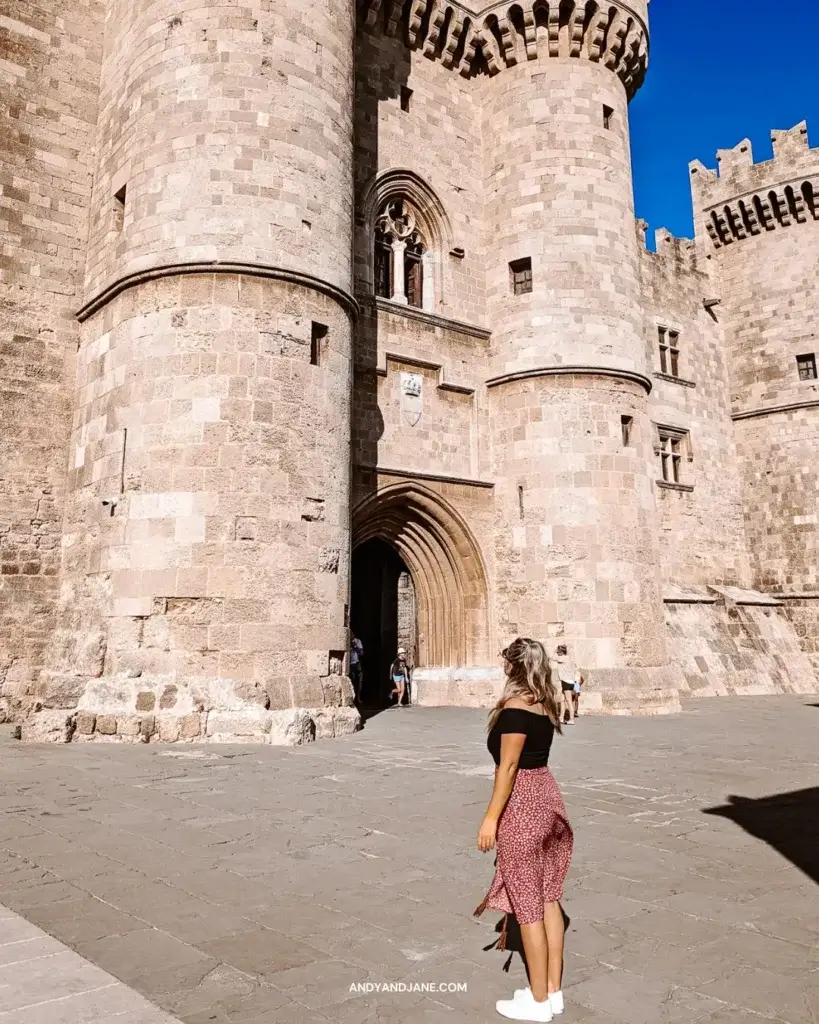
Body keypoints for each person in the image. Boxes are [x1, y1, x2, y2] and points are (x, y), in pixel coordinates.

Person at [474, 638, 573, 1023]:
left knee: (529, 907)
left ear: (512, 667)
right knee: (549, 899)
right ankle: (552, 991)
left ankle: (536, 1003)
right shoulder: (544, 705)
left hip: (524, 805)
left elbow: (509, 768)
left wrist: (490, 819)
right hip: (549, 799)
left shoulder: (514, 712)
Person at [554, 645, 581, 726]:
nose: (557, 653)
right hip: (567, 681)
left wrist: (555, 651)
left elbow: (552, 657)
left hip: (566, 681)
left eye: (559, 652)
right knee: (562, 700)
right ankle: (561, 717)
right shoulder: (567, 658)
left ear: (561, 652)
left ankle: (571, 719)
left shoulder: (564, 658)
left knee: (569, 701)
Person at [349, 634, 363, 703]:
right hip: (349, 664)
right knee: (351, 681)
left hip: (356, 663)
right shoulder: (346, 641)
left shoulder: (357, 641)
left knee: (359, 681)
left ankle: (358, 698)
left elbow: (361, 653)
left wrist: (354, 645)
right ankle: (352, 699)